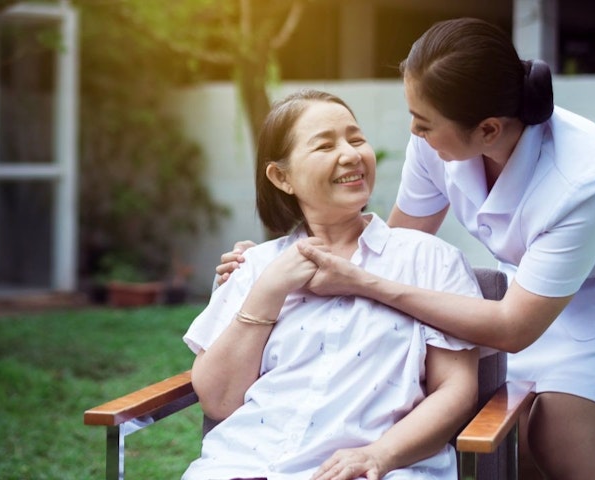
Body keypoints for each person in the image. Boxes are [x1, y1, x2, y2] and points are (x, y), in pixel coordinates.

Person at [215, 18, 595, 480]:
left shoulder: (584, 178)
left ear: (488, 130)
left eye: (423, 122)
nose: (413, 131)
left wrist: (362, 281)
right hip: (550, 274)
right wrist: (267, 267)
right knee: (513, 424)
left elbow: (513, 328)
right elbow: (391, 245)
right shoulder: (436, 134)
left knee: (558, 441)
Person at [183, 89, 483, 480]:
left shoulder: (430, 260)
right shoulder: (254, 266)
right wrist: (267, 291)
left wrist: (380, 455)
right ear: (282, 177)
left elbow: (457, 389)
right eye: (325, 145)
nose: (351, 154)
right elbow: (219, 401)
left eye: (356, 139)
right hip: (243, 466)